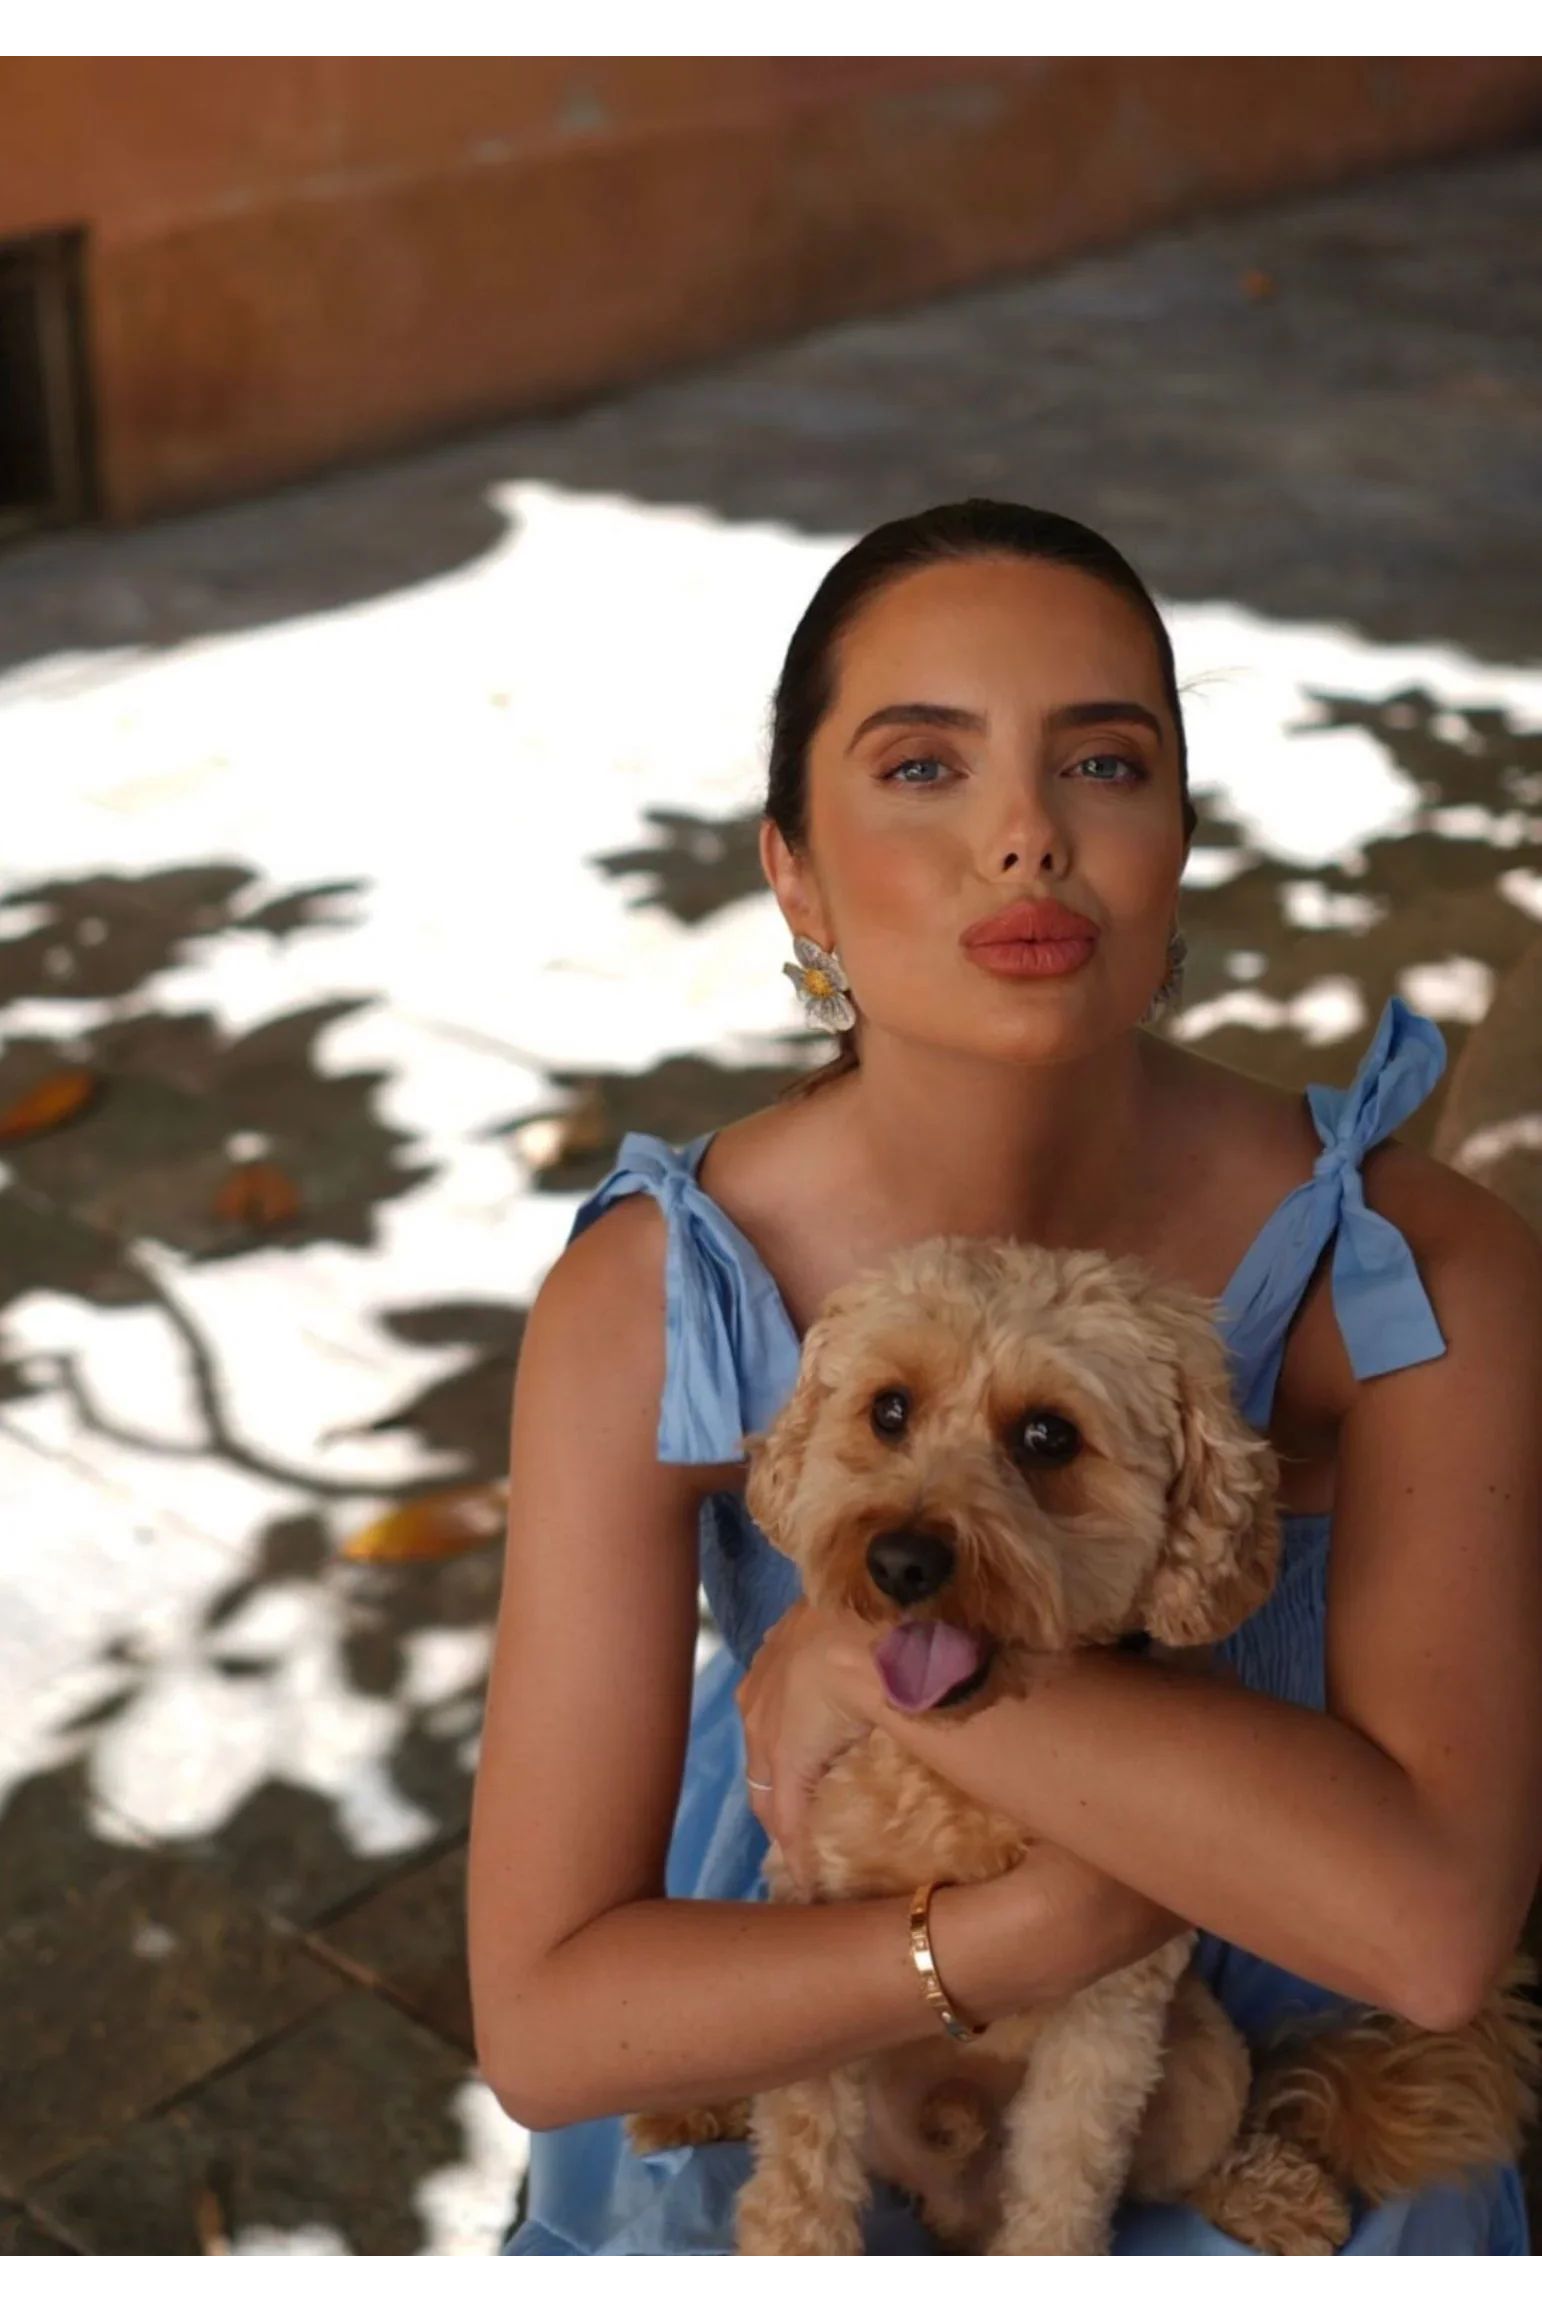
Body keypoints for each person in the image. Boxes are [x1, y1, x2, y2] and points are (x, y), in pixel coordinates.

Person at [470, 500, 1541, 2255]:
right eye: (921, 768)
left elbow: (1424, 1930)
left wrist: (864, 1651)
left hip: (1263, 2055)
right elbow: (549, 2020)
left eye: (1101, 763)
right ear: (792, 868)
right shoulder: (650, 1300)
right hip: (802, 2014)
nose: (1027, 838)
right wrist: (1005, 1941)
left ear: (1177, 837)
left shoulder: (1411, 1270)